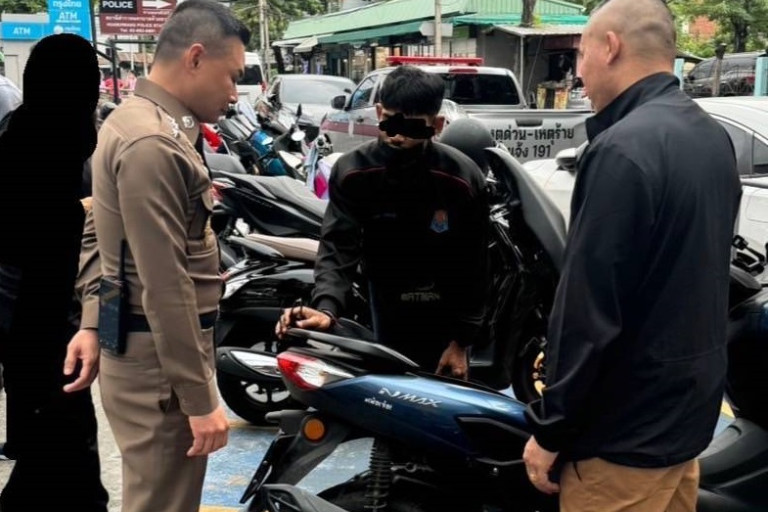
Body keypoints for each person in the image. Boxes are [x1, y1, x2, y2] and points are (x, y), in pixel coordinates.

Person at [521, 1, 742, 510]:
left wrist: (551, 429)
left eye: (580, 55)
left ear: (610, 47)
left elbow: (589, 311)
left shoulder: (622, 148)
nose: (578, 74)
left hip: (621, 441)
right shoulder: (711, 136)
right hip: (685, 421)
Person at [86, 1, 248, 510]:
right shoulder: (153, 143)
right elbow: (165, 283)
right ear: (195, 58)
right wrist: (199, 399)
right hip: (159, 362)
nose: (234, 93)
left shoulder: (135, 122)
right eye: (232, 76)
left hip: (144, 349)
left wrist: (91, 322)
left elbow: (99, 233)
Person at [277, 66, 489, 380]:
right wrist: (326, 309)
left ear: (437, 125)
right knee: (388, 391)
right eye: (391, 121)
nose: (398, 135)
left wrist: (461, 342)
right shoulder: (353, 172)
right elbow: (338, 246)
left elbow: (473, 266)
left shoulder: (461, 178)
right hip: (383, 302)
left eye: (412, 126)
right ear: (379, 113)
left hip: (446, 310)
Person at [0, 34, 108, 511]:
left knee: (50, 444)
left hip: (23, 317)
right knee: (64, 444)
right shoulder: (64, 146)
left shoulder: (17, 131)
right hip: (46, 318)